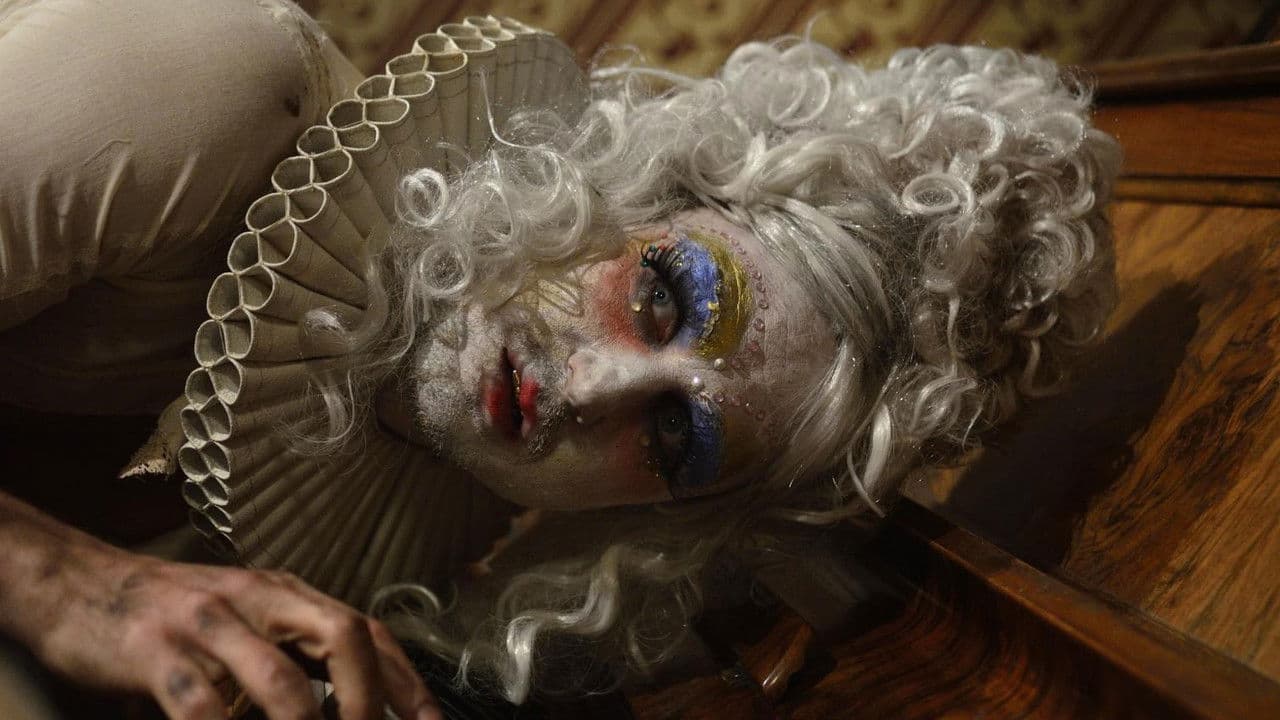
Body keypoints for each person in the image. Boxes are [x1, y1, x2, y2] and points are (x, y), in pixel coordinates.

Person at [1, 1, 1121, 718]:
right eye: (663, 296)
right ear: (619, 189)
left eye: (678, 437)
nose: (590, 393)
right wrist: (56, 578)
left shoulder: (421, 529)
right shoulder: (200, 97)